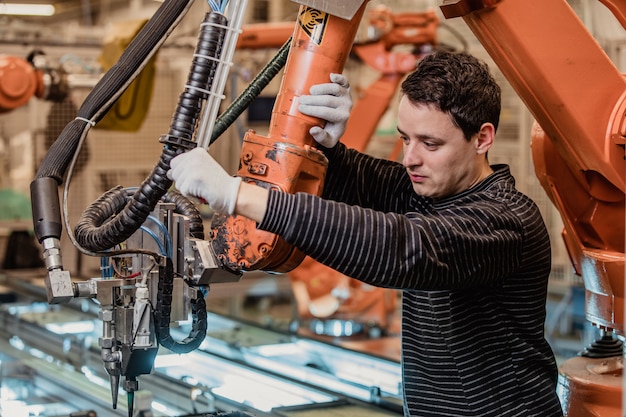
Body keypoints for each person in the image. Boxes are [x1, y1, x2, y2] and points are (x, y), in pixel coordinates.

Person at [168, 50, 563, 416]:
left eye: (430, 143)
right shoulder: (426, 190)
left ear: (483, 138)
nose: (410, 158)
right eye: (406, 138)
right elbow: (364, 182)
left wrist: (239, 195)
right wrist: (326, 147)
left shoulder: (506, 219)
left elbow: (401, 250)